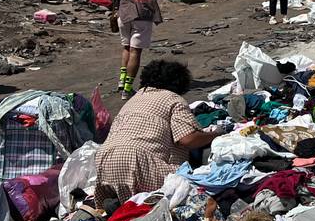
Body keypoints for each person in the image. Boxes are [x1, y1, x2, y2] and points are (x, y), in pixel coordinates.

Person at [94, 61, 228, 203]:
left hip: (104, 160)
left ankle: (116, 205)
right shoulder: (173, 99)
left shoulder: (134, 99)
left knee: (127, 206)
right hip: (137, 162)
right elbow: (188, 139)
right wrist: (216, 134)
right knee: (186, 186)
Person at [109, 0, 167, 100]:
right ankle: (127, 89)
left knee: (126, 47)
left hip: (124, 14)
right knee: (136, 51)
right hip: (143, 14)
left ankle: (121, 81)